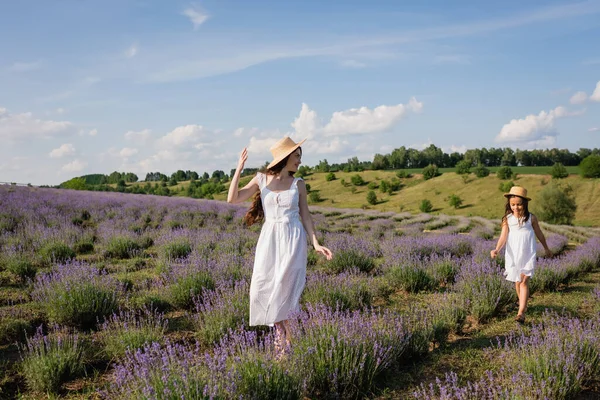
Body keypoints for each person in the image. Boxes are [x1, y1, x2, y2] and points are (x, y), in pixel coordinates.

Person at [227, 136, 333, 355]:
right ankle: (281, 338)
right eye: (297, 157)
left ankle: (287, 346)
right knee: (263, 287)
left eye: (300, 157)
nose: (299, 161)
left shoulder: (298, 184)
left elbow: (306, 215)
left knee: (286, 289)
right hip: (269, 241)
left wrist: (315, 243)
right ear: (285, 157)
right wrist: (239, 168)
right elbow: (233, 199)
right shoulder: (261, 179)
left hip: (293, 239)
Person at [490, 186, 552, 323]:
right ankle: (522, 304)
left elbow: (539, 234)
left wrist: (546, 248)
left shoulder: (531, 218)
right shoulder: (507, 219)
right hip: (513, 253)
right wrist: (496, 249)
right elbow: (503, 237)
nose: (516, 207)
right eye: (513, 205)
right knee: (517, 283)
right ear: (509, 204)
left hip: (528, 253)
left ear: (524, 204)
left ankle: (521, 313)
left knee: (524, 281)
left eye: (519, 204)